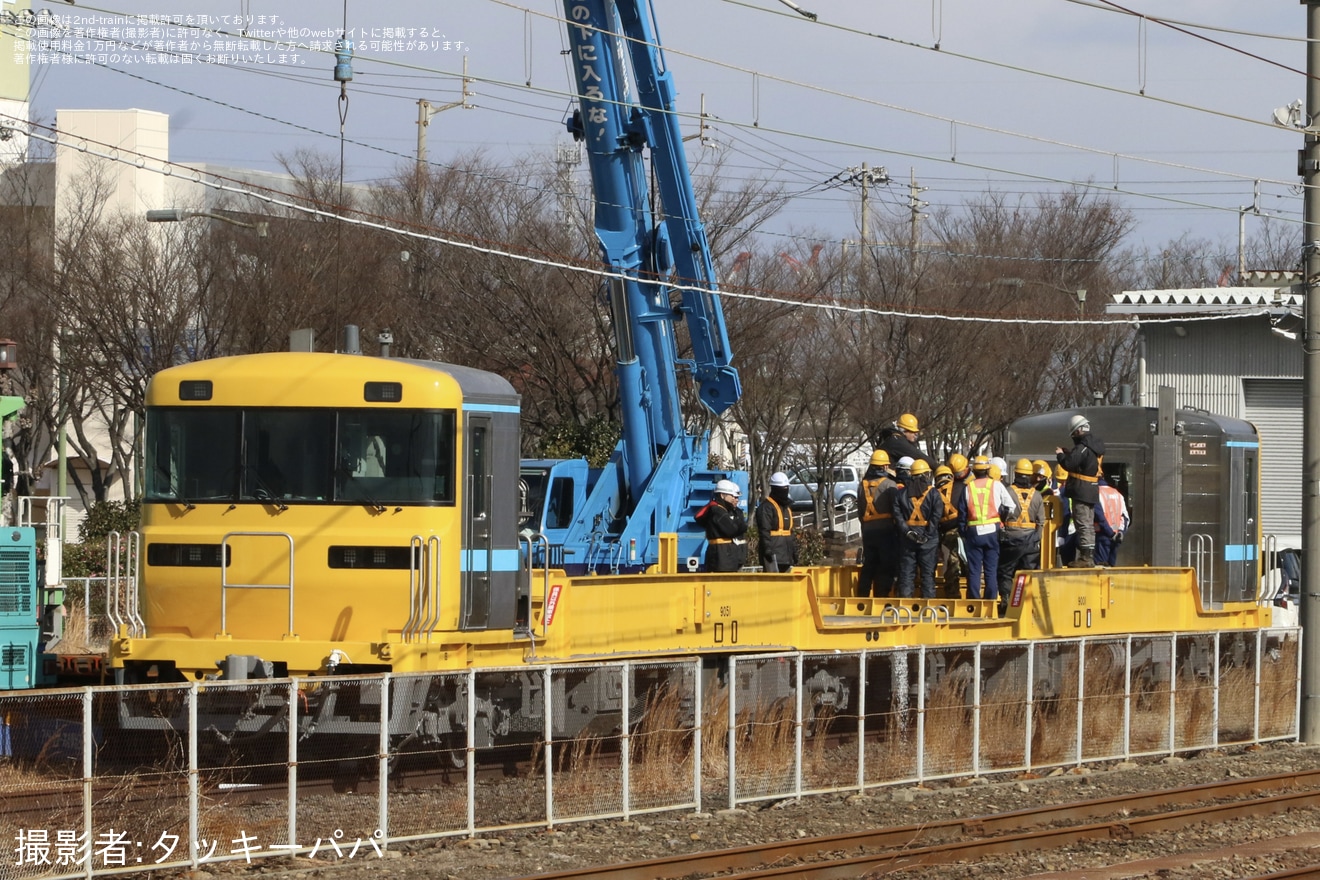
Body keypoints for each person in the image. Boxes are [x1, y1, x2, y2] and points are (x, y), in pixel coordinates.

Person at [957, 455, 1019, 601]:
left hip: (973, 532)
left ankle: (974, 600)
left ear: (973, 471)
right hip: (992, 531)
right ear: (988, 469)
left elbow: (962, 514)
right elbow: (1011, 507)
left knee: (974, 570)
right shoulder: (996, 485)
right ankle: (990, 600)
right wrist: (1002, 518)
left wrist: (963, 533)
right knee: (991, 569)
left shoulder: (968, 488)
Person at [1056, 414, 1105, 568]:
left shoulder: (1083, 447)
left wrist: (1061, 455)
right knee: (1088, 524)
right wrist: (1069, 453)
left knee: (1083, 523)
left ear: (1077, 431)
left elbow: (1070, 464)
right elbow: (1081, 462)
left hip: (1081, 491)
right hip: (1090, 490)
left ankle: (1086, 558)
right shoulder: (1093, 447)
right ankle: (1088, 555)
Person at [894, 458, 943, 599]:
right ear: (926, 474)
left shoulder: (900, 494)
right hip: (929, 540)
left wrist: (907, 532)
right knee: (928, 574)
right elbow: (936, 515)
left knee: (907, 573)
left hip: (907, 539)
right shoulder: (934, 494)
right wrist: (927, 534)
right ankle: (928, 608)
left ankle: (905, 607)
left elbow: (898, 517)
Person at [857, 449, 901, 604]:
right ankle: (881, 598)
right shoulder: (890, 485)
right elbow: (896, 509)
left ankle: (861, 597)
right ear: (884, 467)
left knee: (869, 564)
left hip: (868, 531)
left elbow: (860, 511)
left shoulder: (861, 485)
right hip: (886, 531)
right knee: (885, 565)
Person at [998, 459, 1045, 602]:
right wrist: (1037, 539)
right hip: (1031, 542)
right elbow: (1041, 521)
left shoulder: (1007, 492)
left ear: (1016, 474)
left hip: (1011, 540)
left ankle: (1007, 600)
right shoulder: (1037, 495)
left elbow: (1001, 514)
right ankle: (1029, 602)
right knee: (1029, 574)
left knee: (1005, 573)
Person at [695, 479, 748, 572]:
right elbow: (732, 530)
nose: (734, 498)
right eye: (731, 495)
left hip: (725, 554)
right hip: (722, 556)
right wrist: (741, 526)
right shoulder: (718, 511)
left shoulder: (723, 510)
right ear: (722, 495)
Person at [757, 472, 799, 572]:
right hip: (773, 557)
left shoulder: (786, 508)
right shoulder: (766, 507)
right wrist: (768, 551)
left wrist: (794, 552)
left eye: (786, 488)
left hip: (787, 556)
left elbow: (790, 533)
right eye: (782, 488)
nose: (784, 491)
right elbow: (764, 531)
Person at [934, 464, 963, 599]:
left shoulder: (933, 493)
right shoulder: (961, 487)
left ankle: (952, 593)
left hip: (947, 534)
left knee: (951, 564)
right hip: (965, 530)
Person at [1094, 477, 1130, 567]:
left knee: (1101, 568)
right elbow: (1125, 517)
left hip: (1102, 535)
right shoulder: (1117, 493)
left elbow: (1100, 517)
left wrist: (1110, 533)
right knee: (1111, 567)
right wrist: (1121, 532)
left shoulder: (1096, 493)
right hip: (1116, 537)